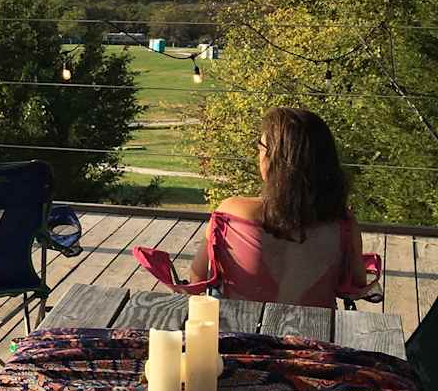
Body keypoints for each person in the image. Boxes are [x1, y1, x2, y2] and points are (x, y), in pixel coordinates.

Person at [138, 106, 375, 305]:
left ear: (276, 159)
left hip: (243, 337)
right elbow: (356, 286)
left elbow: (198, 279)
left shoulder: (231, 213)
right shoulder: (342, 222)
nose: (258, 156)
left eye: (261, 149)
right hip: (315, 341)